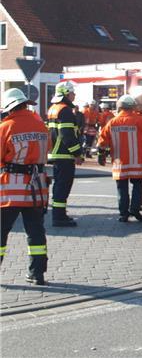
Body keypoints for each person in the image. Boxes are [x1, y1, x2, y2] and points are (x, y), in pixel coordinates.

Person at [0, 88, 50, 285]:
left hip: (11, 189)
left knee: (1, 231)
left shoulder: (6, 127)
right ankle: (37, 273)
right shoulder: (40, 125)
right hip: (36, 188)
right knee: (36, 231)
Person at [97, 95, 142, 222]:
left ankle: (123, 214)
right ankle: (135, 209)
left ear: (120, 106)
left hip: (120, 163)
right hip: (137, 161)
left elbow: (102, 140)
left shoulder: (112, 122)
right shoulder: (138, 120)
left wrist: (101, 155)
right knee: (137, 185)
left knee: (122, 188)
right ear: (132, 107)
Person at [47, 81, 84, 227]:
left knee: (59, 186)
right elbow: (67, 135)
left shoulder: (53, 109)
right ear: (67, 94)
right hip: (64, 155)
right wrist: (77, 153)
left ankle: (59, 214)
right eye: (73, 92)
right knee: (63, 187)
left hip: (55, 154)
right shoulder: (66, 111)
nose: (74, 95)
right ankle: (59, 217)